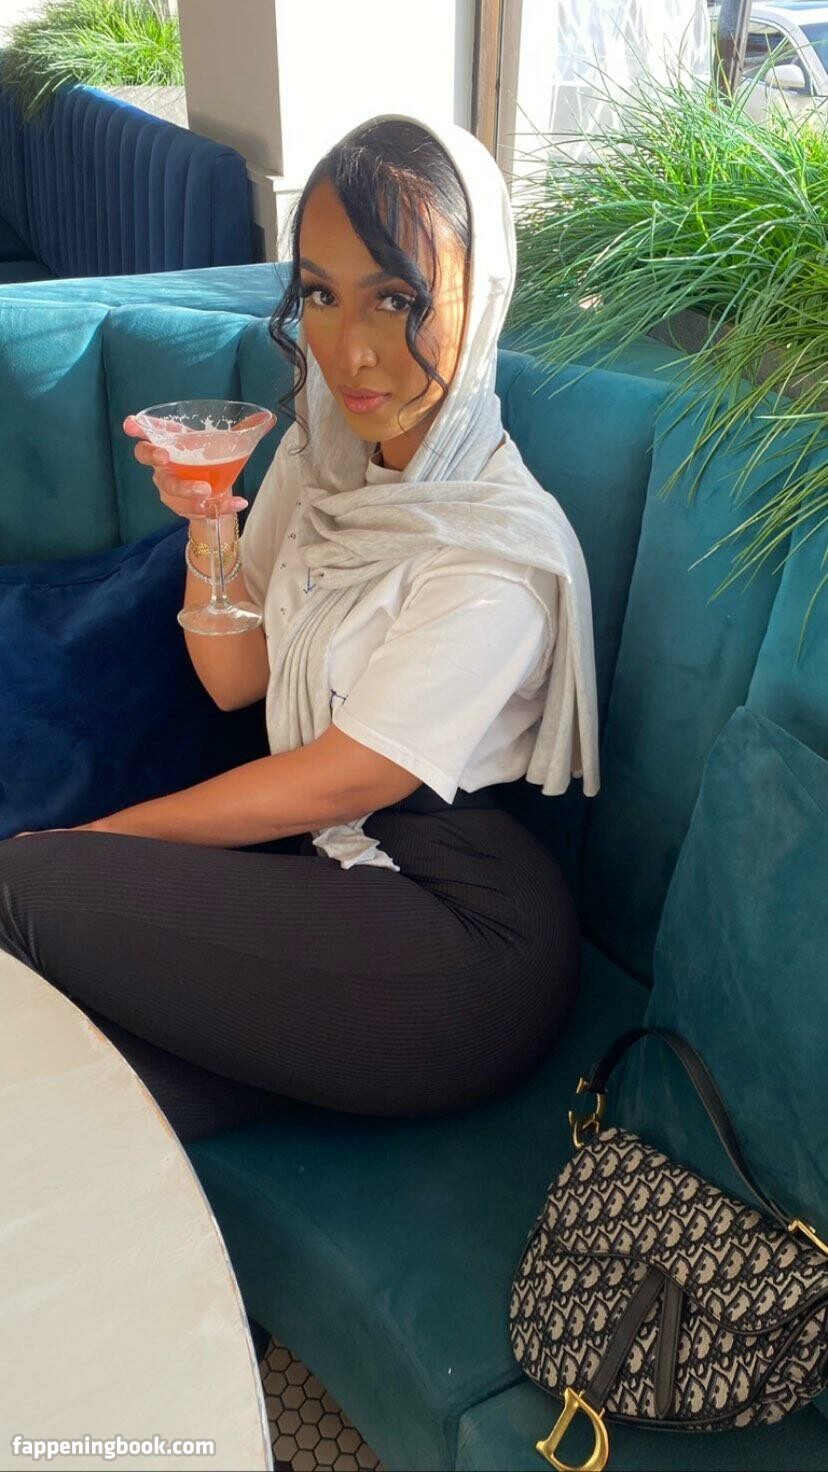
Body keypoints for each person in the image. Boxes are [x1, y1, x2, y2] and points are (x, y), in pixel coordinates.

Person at [0, 112, 599, 1146]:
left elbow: (341, 780)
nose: (351, 348)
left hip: (462, 938)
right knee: (63, 1099)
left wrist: (89, 845)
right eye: (321, 293)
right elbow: (237, 678)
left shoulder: (496, 548)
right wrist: (209, 524)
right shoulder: (323, 461)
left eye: (398, 297)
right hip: (335, 884)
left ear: (483, 296)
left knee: (19, 888)